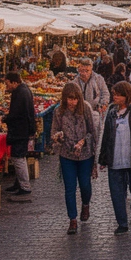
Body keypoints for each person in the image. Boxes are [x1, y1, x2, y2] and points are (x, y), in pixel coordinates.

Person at [97, 82, 131, 234]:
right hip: (115, 159)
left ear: (127, 96)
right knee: (116, 192)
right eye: (114, 94)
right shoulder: (111, 112)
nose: (114, 97)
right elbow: (107, 136)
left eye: (118, 94)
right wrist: (103, 159)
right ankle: (122, 223)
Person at [51, 82, 95, 234]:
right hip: (67, 154)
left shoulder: (86, 109)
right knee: (69, 188)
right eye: (70, 99)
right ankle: (72, 219)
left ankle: (85, 204)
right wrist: (58, 137)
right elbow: (54, 132)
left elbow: (92, 132)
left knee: (84, 185)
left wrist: (83, 142)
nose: (72, 102)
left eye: (75, 99)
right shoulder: (58, 112)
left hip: (85, 155)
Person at [3, 71, 37, 197]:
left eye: (8, 84)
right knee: (18, 157)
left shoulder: (20, 93)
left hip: (20, 131)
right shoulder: (23, 90)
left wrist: (5, 119)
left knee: (18, 158)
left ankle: (25, 186)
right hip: (23, 130)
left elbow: (16, 114)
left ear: (14, 82)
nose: (7, 87)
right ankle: (18, 183)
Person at [73, 57, 110, 151]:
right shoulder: (75, 82)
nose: (84, 73)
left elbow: (105, 93)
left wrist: (103, 104)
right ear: (78, 69)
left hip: (95, 112)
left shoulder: (98, 79)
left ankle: (94, 154)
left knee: (95, 135)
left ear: (91, 69)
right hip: (79, 114)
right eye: (82, 70)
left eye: (87, 71)